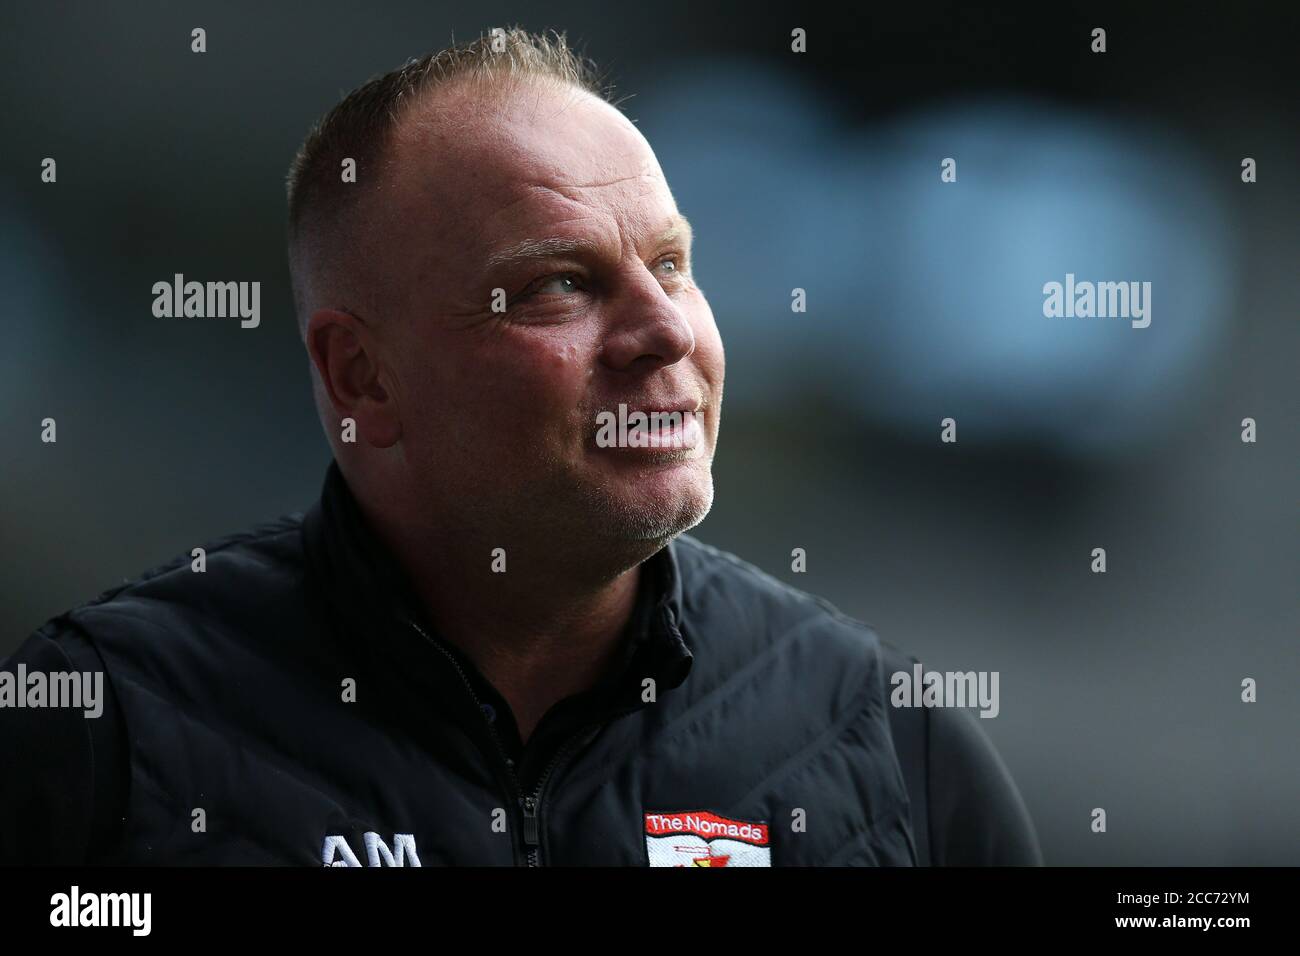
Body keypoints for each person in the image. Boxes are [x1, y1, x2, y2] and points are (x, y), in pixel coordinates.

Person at [0, 28, 1041, 866]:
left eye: (673, 265)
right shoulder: (105, 721)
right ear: (362, 377)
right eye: (560, 284)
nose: (667, 329)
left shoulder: (881, 734)